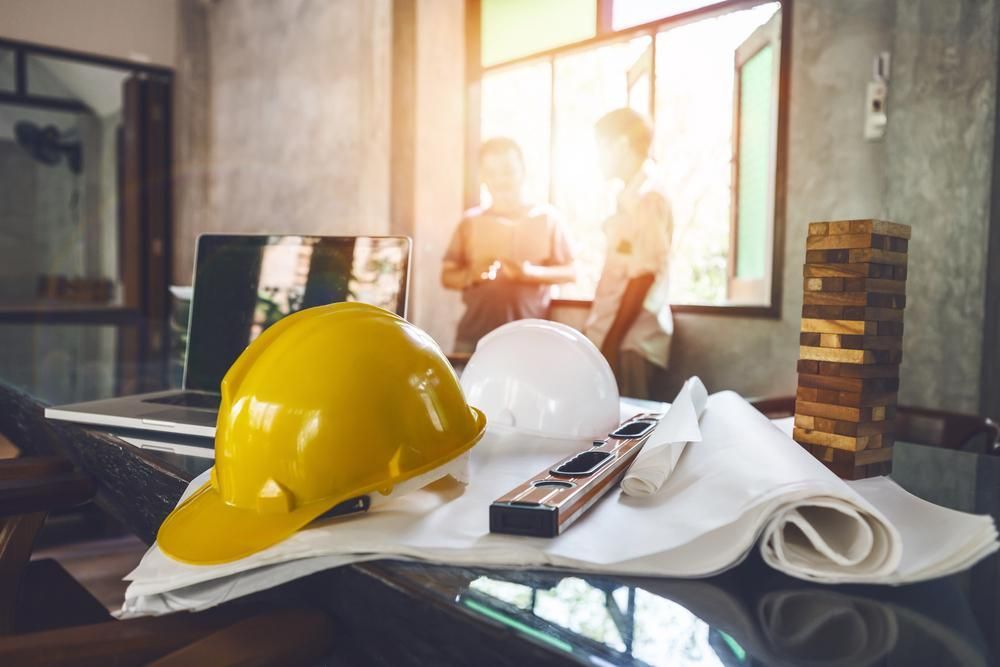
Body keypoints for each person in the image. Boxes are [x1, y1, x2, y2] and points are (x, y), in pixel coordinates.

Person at [442, 137, 576, 353]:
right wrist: (471, 275)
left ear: (522, 171)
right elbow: (446, 277)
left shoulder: (548, 218)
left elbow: (571, 272)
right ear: (482, 177)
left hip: (530, 339)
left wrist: (530, 273)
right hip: (474, 338)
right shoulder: (469, 222)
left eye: (507, 171)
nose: (500, 180)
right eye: (491, 173)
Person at [584, 108, 673, 398]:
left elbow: (643, 277)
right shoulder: (627, 197)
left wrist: (610, 345)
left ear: (621, 144)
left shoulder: (649, 197)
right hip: (616, 340)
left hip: (630, 344)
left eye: (600, 146)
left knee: (630, 436)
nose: (596, 158)